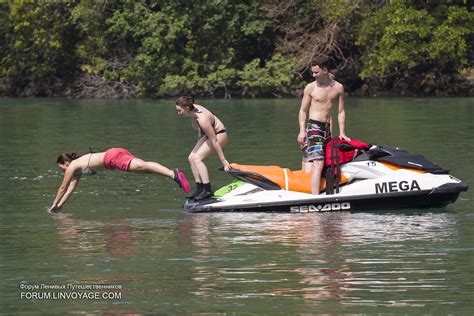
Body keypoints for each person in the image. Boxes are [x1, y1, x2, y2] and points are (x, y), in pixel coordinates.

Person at [48, 148, 190, 212]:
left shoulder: (72, 166)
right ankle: (172, 174)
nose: (63, 171)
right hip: (114, 153)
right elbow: (70, 190)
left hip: (112, 159)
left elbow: (62, 188)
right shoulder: (78, 167)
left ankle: (173, 174)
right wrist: (60, 206)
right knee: (145, 169)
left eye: (62, 168)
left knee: (143, 166)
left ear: (65, 163)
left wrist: (53, 204)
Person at [297, 58, 350, 194]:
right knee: (318, 163)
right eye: (312, 72)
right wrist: (302, 131)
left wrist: (342, 132)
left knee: (322, 163)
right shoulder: (310, 87)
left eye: (316, 72)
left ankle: (309, 189)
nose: (313, 75)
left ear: (325, 70)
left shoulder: (338, 87)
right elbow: (303, 111)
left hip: (327, 128)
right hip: (314, 127)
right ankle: (315, 200)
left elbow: (341, 111)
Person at [175, 96, 231, 200]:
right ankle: (199, 189)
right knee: (191, 157)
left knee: (197, 158)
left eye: (179, 110)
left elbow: (214, 140)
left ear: (186, 108)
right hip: (208, 135)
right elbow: (201, 132)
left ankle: (208, 190)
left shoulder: (202, 119)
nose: (178, 113)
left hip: (220, 135)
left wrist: (224, 161)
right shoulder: (193, 109)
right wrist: (198, 145)